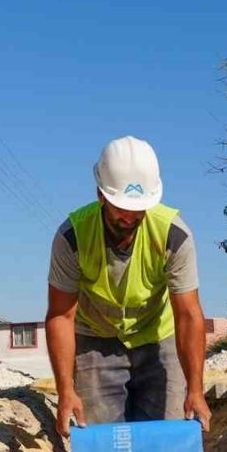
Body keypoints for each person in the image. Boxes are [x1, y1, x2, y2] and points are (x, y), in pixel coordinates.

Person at [46, 136, 211, 436]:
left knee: (167, 437)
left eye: (139, 208)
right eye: (121, 207)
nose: (130, 216)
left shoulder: (174, 235)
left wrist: (196, 390)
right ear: (100, 195)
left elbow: (188, 314)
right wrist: (65, 391)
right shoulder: (72, 238)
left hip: (158, 337)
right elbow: (60, 316)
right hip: (95, 340)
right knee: (108, 444)